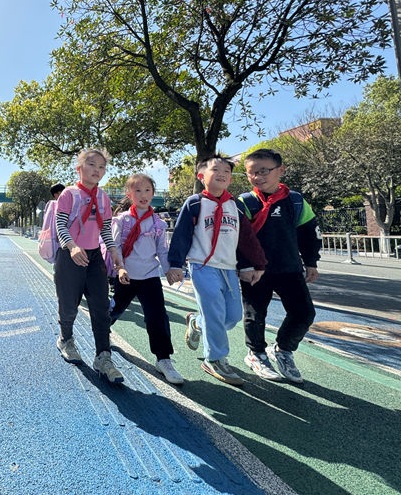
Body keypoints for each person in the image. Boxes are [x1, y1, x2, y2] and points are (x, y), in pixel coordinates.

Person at [166, 156, 267, 385]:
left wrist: (256, 264)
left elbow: (246, 238)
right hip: (202, 266)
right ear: (201, 176)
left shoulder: (235, 205)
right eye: (215, 169)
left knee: (233, 316)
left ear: (230, 179)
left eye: (226, 171)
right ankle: (215, 358)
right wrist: (175, 265)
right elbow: (182, 235)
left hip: (228, 268)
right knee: (214, 311)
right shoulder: (195, 203)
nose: (222, 173)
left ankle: (197, 322)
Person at [237, 149, 321, 384]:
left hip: (289, 268)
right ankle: (256, 354)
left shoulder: (296, 201)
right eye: (251, 173)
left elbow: (309, 233)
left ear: (281, 170)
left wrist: (311, 262)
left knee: (304, 313)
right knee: (255, 314)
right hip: (256, 270)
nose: (257, 177)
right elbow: (238, 238)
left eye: (264, 171)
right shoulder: (244, 202)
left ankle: (283, 349)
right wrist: (245, 265)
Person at [54, 149, 125, 383]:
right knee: (69, 306)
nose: (97, 170)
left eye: (102, 167)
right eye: (92, 164)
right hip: (70, 256)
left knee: (101, 307)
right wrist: (72, 246)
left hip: (94, 258)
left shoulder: (103, 198)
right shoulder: (69, 194)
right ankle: (66, 339)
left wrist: (113, 252)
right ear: (79, 168)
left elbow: (105, 228)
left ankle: (104, 357)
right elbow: (60, 225)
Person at [110, 174, 184, 385]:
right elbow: (114, 246)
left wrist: (169, 270)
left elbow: (162, 250)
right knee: (115, 309)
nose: (143, 195)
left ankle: (163, 359)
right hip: (126, 276)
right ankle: (102, 330)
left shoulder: (158, 223)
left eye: (147, 190)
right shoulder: (122, 220)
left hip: (150, 276)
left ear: (153, 193)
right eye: (138, 191)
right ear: (129, 194)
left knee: (157, 316)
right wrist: (120, 269)